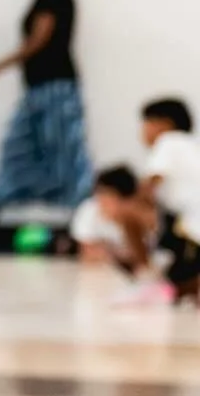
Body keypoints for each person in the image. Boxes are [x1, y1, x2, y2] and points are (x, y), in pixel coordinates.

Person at [0, 0, 93, 236]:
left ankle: (84, 220)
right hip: (39, 87)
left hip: (57, 88)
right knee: (19, 147)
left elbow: (37, 42)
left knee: (65, 152)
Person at [141, 98, 200, 304]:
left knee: (127, 208)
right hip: (187, 225)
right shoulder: (190, 145)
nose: (142, 132)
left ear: (164, 124)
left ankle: (144, 273)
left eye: (146, 124)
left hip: (190, 227)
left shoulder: (169, 141)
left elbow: (151, 183)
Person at [69, 165, 156, 272]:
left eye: (107, 199)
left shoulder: (143, 217)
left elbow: (142, 260)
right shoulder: (89, 211)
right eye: (99, 196)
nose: (101, 204)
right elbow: (88, 253)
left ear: (126, 201)